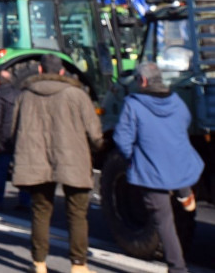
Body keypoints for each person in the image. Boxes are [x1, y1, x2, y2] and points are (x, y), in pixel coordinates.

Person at [11, 54, 103, 273]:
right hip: (74, 160)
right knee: (77, 213)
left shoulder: (25, 96)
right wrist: (95, 148)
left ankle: (39, 263)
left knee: (41, 211)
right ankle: (78, 265)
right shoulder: (77, 95)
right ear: (62, 72)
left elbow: (13, 130)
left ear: (40, 70)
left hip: (36, 159)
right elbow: (95, 133)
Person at [113, 62, 203, 273]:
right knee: (178, 178)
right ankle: (184, 194)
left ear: (143, 81)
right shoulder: (176, 101)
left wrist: (133, 158)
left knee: (164, 221)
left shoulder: (133, 105)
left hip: (151, 170)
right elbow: (185, 122)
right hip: (180, 164)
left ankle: (177, 268)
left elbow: (122, 139)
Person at [0, 67, 30, 210]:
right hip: (19, 138)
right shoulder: (20, 95)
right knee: (21, 170)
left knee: (0, 172)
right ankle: (25, 201)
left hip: (2, 140)